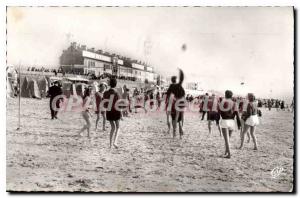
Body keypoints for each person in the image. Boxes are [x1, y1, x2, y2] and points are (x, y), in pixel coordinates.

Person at [219, 90, 241, 158]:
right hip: (232, 121)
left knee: (226, 139)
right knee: (228, 138)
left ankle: (229, 154)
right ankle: (226, 152)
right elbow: (237, 115)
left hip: (225, 121)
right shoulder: (235, 103)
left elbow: (220, 113)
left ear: (225, 95)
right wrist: (239, 124)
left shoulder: (223, 102)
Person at [166, 69, 185, 139]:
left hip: (173, 103)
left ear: (171, 80)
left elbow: (168, 95)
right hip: (180, 102)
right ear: (176, 80)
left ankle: (174, 133)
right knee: (181, 117)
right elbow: (183, 94)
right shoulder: (179, 85)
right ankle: (181, 130)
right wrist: (181, 72)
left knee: (174, 119)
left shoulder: (171, 86)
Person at [103, 78, 121, 149]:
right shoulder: (117, 93)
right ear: (115, 84)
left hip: (109, 112)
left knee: (112, 127)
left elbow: (104, 104)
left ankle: (110, 144)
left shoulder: (105, 93)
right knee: (118, 127)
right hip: (116, 111)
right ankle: (115, 142)